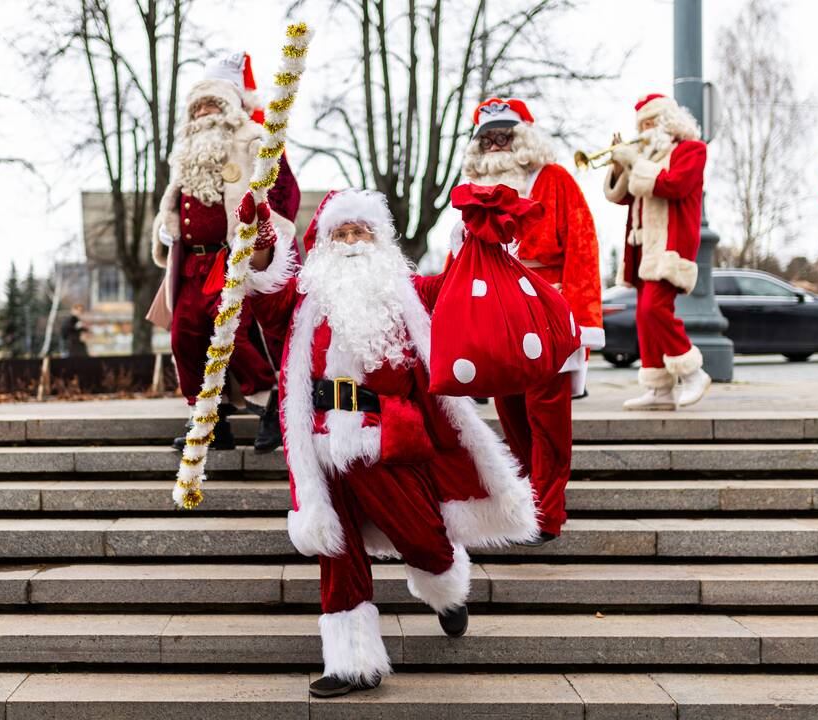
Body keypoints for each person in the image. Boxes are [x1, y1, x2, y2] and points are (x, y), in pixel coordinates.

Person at [243, 188, 538, 698]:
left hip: (389, 438)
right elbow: (265, 293)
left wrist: (477, 237)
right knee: (336, 553)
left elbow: (460, 288)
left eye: (361, 232)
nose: (352, 241)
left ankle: (446, 586)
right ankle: (352, 664)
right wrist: (262, 239)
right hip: (321, 444)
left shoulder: (410, 291)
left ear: (380, 240)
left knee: (422, 536)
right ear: (324, 243)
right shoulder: (303, 299)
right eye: (341, 233)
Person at [462, 97, 602, 544]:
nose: (497, 144)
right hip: (497, 317)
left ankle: (547, 512)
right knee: (511, 412)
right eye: (488, 137)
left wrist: (584, 320)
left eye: (505, 134)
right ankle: (525, 504)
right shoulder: (472, 189)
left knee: (548, 418)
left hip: (548, 310)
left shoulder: (554, 180)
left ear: (524, 136)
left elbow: (583, 248)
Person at [149, 52, 301, 451]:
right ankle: (209, 421)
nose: (203, 112)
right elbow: (172, 203)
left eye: (211, 104)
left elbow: (283, 194)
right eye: (197, 106)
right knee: (185, 338)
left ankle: (269, 407)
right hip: (190, 265)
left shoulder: (255, 141)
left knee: (232, 332)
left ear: (231, 107)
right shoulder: (185, 154)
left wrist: (262, 238)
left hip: (229, 259)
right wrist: (163, 231)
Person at [605, 93, 710, 410]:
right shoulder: (645, 158)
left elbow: (673, 185)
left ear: (669, 122)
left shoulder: (692, 150)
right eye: (642, 124)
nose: (646, 129)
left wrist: (635, 162)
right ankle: (660, 390)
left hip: (670, 247)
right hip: (641, 249)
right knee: (644, 316)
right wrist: (617, 165)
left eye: (652, 122)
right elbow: (620, 197)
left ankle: (693, 372)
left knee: (654, 310)